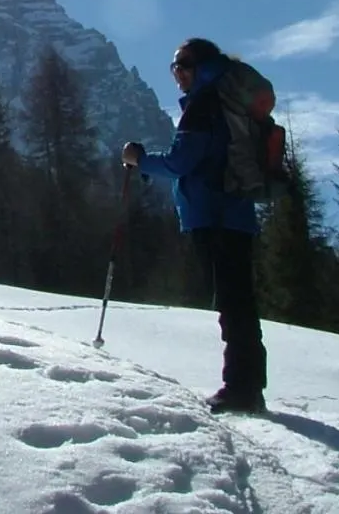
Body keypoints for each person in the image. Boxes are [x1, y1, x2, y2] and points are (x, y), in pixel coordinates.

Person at [121, 37, 268, 415]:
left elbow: (180, 162)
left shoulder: (205, 103)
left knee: (233, 304)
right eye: (174, 69)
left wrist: (140, 160)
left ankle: (241, 388)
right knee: (238, 301)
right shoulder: (224, 98)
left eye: (183, 67)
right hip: (234, 214)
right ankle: (248, 385)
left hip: (215, 216)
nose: (178, 76)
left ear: (200, 67)